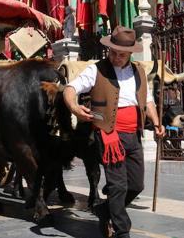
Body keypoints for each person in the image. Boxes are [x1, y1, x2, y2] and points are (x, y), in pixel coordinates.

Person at [63, 26, 165, 238]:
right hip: (109, 135)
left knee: (136, 185)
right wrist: (74, 107)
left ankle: (104, 209)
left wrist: (156, 122)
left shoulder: (139, 72)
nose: (116, 57)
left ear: (130, 53)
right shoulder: (96, 70)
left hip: (133, 135)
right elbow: (70, 88)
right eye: (113, 53)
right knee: (118, 186)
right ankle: (121, 232)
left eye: (121, 54)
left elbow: (147, 100)